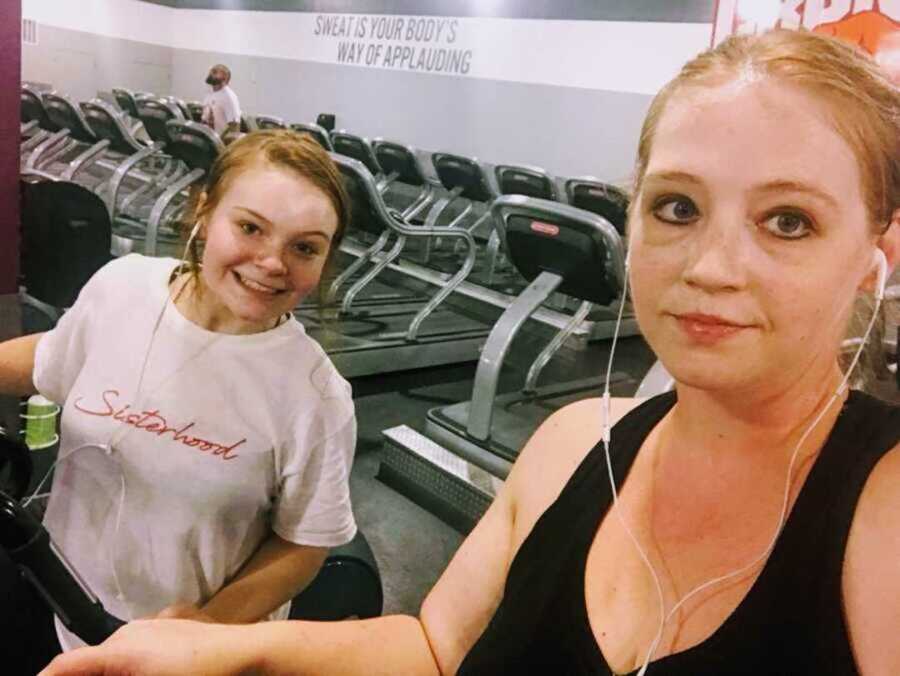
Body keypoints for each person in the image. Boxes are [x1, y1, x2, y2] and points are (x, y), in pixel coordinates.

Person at [41, 28, 900, 676]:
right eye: (677, 207)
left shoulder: (883, 526)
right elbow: (435, 645)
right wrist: (217, 653)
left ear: (874, 257)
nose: (712, 266)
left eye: (789, 221)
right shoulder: (571, 443)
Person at [0, 129, 357, 673]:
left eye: (304, 247)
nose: (272, 262)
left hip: (181, 657)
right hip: (53, 594)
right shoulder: (122, 287)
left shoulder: (316, 395)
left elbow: (302, 546)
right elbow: (53, 358)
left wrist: (206, 628)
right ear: (205, 211)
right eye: (250, 227)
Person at [201, 63, 242, 137]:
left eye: (215, 72)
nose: (211, 74)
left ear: (225, 79)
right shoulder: (209, 92)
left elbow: (234, 127)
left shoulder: (229, 96)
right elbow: (204, 118)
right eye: (212, 71)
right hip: (207, 138)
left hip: (220, 142)